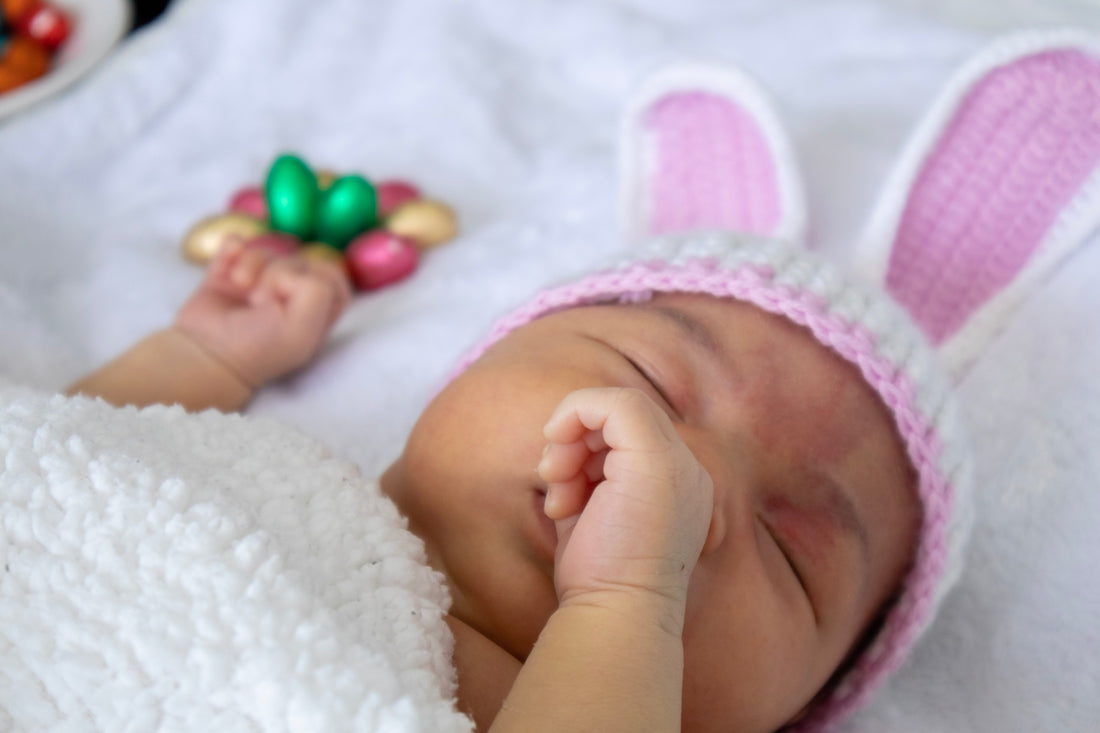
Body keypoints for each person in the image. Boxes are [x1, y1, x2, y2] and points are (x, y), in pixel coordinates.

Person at [64, 44, 1026, 732]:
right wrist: (206, 362)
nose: (679, 476)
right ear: (476, 367)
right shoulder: (270, 482)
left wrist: (624, 605)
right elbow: (73, 471)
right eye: (648, 377)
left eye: (792, 548)